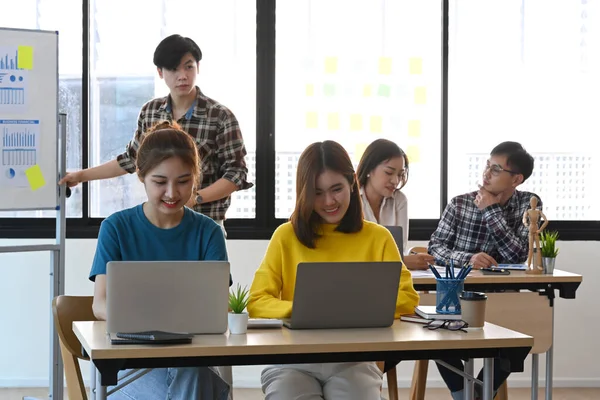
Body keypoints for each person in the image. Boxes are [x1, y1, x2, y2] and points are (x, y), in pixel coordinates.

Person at [247, 140, 419, 400]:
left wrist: (350, 309)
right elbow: (257, 301)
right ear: (304, 193)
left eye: (336, 189)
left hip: (355, 360)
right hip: (292, 361)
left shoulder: (379, 238)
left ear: (352, 182)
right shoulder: (286, 236)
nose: (328, 201)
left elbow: (407, 298)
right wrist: (305, 310)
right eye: (317, 192)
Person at [88, 121, 230, 400]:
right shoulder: (116, 228)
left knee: (193, 372)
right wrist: (151, 323)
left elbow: (216, 309)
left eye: (183, 181)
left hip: (193, 358)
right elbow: (100, 304)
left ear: (196, 177)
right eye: (160, 182)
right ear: (141, 176)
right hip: (131, 367)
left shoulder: (209, 233)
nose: (172, 193)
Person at [58, 34, 252, 225]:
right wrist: (80, 176)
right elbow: (131, 159)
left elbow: (236, 173)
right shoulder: (150, 112)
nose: (182, 76)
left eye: (189, 67)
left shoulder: (220, 116)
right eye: (173, 69)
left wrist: (194, 197)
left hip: (206, 222)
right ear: (160, 72)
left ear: (198, 67)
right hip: (158, 221)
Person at [428, 141, 541, 400]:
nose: (486, 174)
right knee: (433, 330)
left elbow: (519, 254)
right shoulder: (459, 204)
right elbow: (435, 248)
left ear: (517, 179)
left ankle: (478, 392)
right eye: (487, 166)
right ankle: (467, 394)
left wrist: (490, 210)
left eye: (496, 169)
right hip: (456, 294)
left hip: (503, 297)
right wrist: (468, 258)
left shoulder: (529, 205)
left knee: (523, 331)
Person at [356, 138, 435, 270]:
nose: (395, 180)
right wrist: (403, 261)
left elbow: (398, 249)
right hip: (358, 274)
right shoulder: (351, 198)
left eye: (400, 174)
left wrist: (402, 261)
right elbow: (354, 254)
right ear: (369, 169)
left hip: (391, 276)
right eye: (389, 172)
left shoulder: (399, 200)